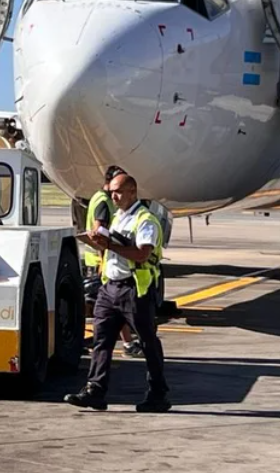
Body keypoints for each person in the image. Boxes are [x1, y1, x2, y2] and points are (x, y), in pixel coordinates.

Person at [66, 171, 170, 412]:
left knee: (147, 342)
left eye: (119, 191)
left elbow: (143, 253)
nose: (114, 196)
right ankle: (95, 390)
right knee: (101, 340)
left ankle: (158, 394)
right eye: (112, 191)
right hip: (110, 287)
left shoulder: (144, 220)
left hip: (134, 289)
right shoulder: (119, 217)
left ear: (133, 192)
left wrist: (110, 244)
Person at [85, 166, 142, 358]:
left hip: (102, 258)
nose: (117, 194)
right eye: (116, 188)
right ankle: (125, 344)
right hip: (104, 261)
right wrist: (104, 260)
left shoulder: (97, 197)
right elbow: (98, 229)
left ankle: (120, 344)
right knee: (113, 310)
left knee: (108, 312)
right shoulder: (103, 201)